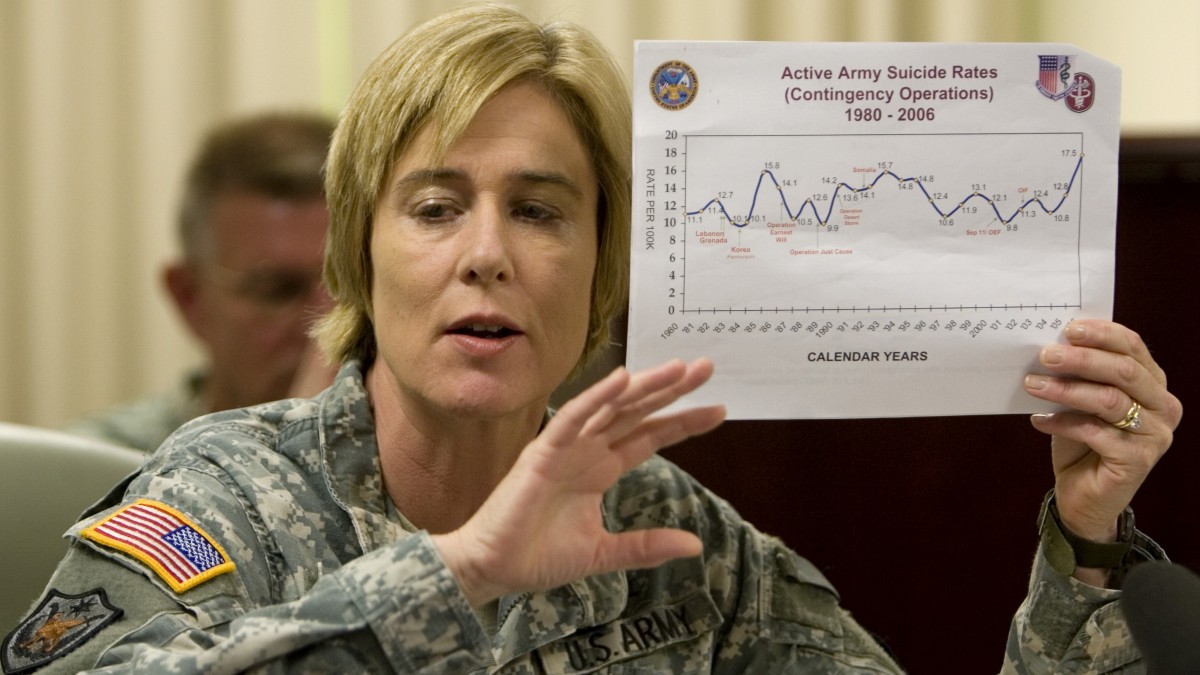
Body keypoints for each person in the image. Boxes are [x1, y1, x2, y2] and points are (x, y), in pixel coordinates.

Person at [5, 5, 1180, 673]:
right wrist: (458, 573)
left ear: (605, 265)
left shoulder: (667, 534)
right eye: (432, 206)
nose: (487, 253)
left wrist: (1083, 541)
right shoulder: (226, 497)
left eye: (538, 209)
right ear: (356, 256)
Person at [63, 112, 338, 453]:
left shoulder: (416, 473)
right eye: (276, 290)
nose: (328, 326)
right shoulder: (99, 471)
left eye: (353, 285)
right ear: (190, 297)